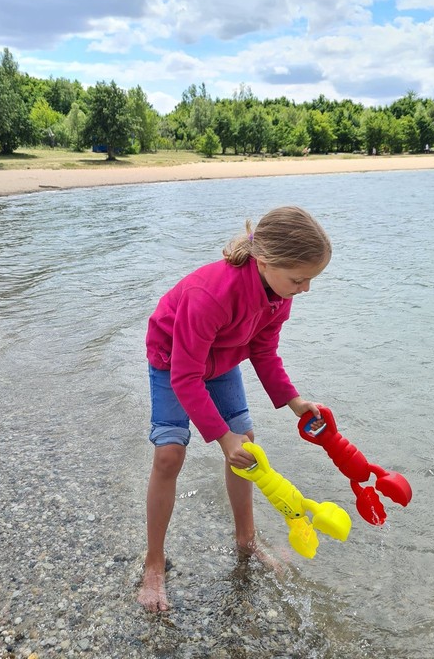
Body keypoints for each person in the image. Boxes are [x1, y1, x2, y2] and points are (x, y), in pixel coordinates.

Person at [138, 205, 332, 612]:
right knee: (169, 453)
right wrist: (220, 436)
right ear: (265, 260)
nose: (305, 289)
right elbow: (185, 377)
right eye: (299, 279)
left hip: (221, 358)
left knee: (246, 447)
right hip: (173, 360)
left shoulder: (280, 296)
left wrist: (293, 400)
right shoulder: (209, 294)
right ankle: (154, 561)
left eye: (310, 280)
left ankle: (247, 539)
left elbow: (263, 350)